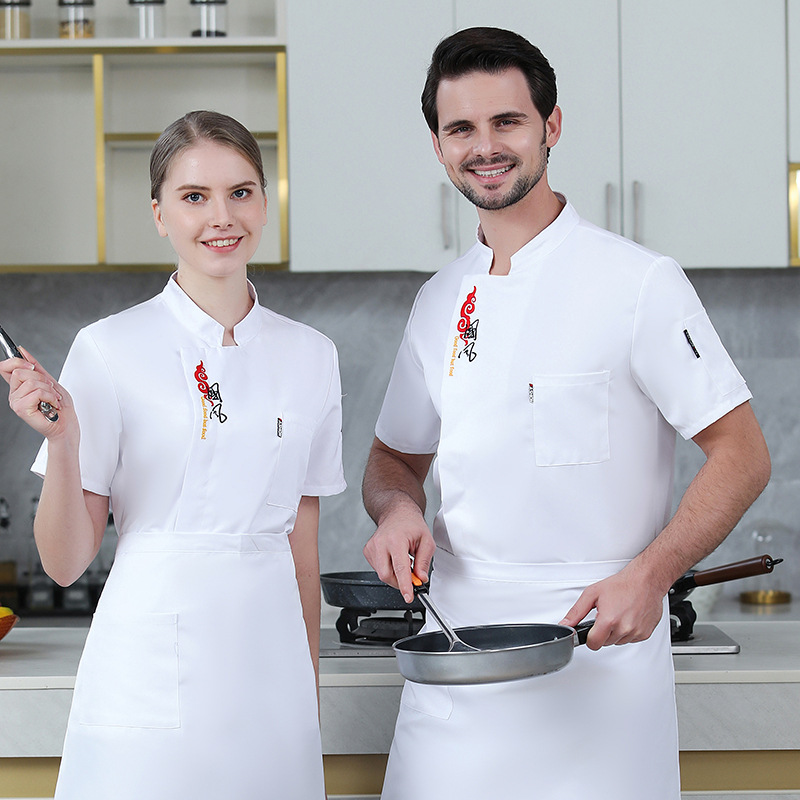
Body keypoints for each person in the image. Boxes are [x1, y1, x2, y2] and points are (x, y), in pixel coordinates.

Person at [362, 27, 770, 800]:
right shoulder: (439, 301)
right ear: (439, 147)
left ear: (551, 125)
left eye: (507, 121)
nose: (485, 146)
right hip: (455, 659)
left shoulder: (639, 282)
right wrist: (397, 511)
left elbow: (743, 453)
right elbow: (393, 461)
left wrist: (651, 575)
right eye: (461, 128)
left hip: (598, 658)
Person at [0, 110, 345, 799]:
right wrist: (63, 442)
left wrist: (304, 708)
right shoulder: (108, 348)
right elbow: (65, 563)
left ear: (266, 201)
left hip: (272, 677)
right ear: (159, 214)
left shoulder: (312, 355)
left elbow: (301, 554)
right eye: (194, 197)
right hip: (146, 672)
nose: (222, 217)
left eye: (240, 192)